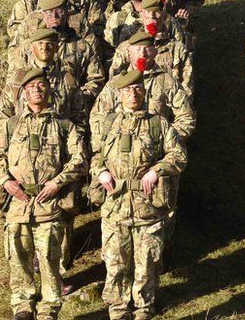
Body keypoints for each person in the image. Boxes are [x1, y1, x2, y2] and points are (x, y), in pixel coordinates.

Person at [0, 67, 87, 320]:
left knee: (51, 262)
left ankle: (48, 311)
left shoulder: (64, 126)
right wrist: (6, 182)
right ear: (23, 94)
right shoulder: (10, 126)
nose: (37, 90)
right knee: (18, 261)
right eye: (31, 87)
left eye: (41, 85)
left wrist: (58, 183)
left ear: (49, 90)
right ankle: (22, 308)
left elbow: (80, 159)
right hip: (17, 207)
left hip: (49, 206)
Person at [89, 70, 187, 320]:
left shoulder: (159, 123)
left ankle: (144, 307)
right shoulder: (108, 123)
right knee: (115, 261)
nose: (132, 94)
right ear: (119, 94)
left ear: (144, 92)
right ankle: (118, 308)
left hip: (148, 207)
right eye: (127, 90)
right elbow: (95, 156)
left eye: (137, 89)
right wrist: (100, 172)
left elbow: (178, 156)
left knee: (146, 263)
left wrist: (157, 170)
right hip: (116, 206)